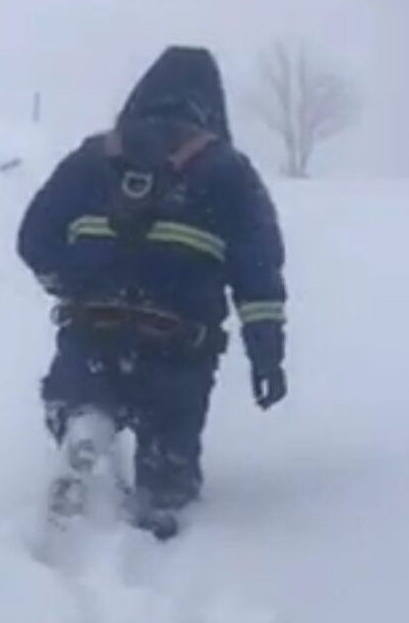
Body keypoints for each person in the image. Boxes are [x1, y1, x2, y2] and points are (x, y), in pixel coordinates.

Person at [16, 45, 287, 540]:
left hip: (91, 329)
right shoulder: (227, 171)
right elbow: (259, 272)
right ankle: (159, 498)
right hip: (178, 344)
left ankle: (86, 430)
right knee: (170, 471)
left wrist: (66, 286)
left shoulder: (91, 158)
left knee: (82, 396)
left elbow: (33, 238)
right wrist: (266, 354)